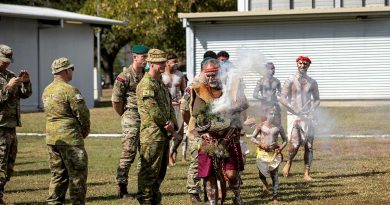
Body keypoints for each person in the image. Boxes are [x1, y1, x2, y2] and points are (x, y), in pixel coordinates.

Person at [188, 58, 248, 205]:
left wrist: (230, 106)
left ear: (220, 73)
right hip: (208, 139)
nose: (211, 78)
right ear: (203, 74)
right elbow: (196, 114)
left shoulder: (230, 87)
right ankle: (212, 203)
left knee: (232, 174)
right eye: (208, 75)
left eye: (214, 74)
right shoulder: (199, 89)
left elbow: (243, 104)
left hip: (230, 137)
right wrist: (204, 131)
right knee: (210, 176)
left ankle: (237, 197)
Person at [42, 57, 90, 205]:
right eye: (71, 69)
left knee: (58, 175)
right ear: (65, 71)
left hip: (52, 139)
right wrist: (85, 129)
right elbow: (82, 113)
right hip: (70, 139)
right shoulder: (70, 90)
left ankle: (53, 202)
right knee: (77, 176)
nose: (72, 72)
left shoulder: (47, 90)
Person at [136, 48, 180, 204]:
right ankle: (146, 201)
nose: (163, 64)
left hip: (163, 135)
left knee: (159, 173)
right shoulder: (147, 84)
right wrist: (167, 125)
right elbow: (153, 110)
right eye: (159, 62)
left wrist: (173, 124)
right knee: (148, 174)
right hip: (152, 136)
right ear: (150, 63)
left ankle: (154, 200)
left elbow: (168, 106)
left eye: (164, 61)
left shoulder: (159, 82)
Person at [111, 44, 149, 198]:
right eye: (144, 57)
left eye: (148, 57)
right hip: (131, 116)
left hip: (146, 117)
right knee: (129, 152)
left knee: (145, 153)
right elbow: (116, 100)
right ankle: (122, 186)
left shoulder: (148, 75)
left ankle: (144, 187)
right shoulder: (124, 76)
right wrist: (125, 115)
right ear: (135, 57)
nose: (147, 60)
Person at [0, 44, 32, 204]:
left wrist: (25, 82)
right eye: (3, 60)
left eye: (8, 61)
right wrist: (7, 88)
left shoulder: (10, 75)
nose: (6, 63)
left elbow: (24, 95)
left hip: (11, 126)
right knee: (0, 165)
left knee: (9, 165)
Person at [279, 56, 320, 181]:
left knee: (309, 145)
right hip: (294, 115)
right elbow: (282, 98)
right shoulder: (290, 80)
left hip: (308, 116)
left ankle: (306, 173)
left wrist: (311, 109)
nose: (302, 66)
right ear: (297, 64)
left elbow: (317, 100)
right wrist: (294, 109)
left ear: (308, 66)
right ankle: (289, 162)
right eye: (301, 63)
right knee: (295, 144)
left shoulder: (312, 82)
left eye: (305, 64)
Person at [250, 107, 287, 202]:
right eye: (271, 113)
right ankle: (265, 184)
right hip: (262, 153)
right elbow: (252, 138)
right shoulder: (261, 125)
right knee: (262, 174)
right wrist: (261, 143)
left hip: (274, 153)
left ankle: (275, 196)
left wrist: (281, 148)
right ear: (266, 114)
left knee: (274, 175)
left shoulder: (279, 126)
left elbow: (285, 140)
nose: (273, 115)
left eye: (274, 113)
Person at [161, 52, 187, 166]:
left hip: (178, 106)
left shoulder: (180, 75)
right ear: (167, 63)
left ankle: (172, 151)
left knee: (180, 134)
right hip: (166, 107)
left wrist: (183, 99)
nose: (176, 64)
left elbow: (185, 90)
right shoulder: (161, 75)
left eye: (177, 61)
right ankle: (166, 156)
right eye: (173, 62)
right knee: (166, 133)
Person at [253, 62, 282, 126]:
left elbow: (281, 92)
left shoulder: (277, 81)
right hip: (265, 106)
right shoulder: (261, 81)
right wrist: (264, 98)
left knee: (277, 125)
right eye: (271, 68)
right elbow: (255, 94)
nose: (273, 70)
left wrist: (280, 94)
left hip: (275, 105)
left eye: (274, 68)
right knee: (264, 125)